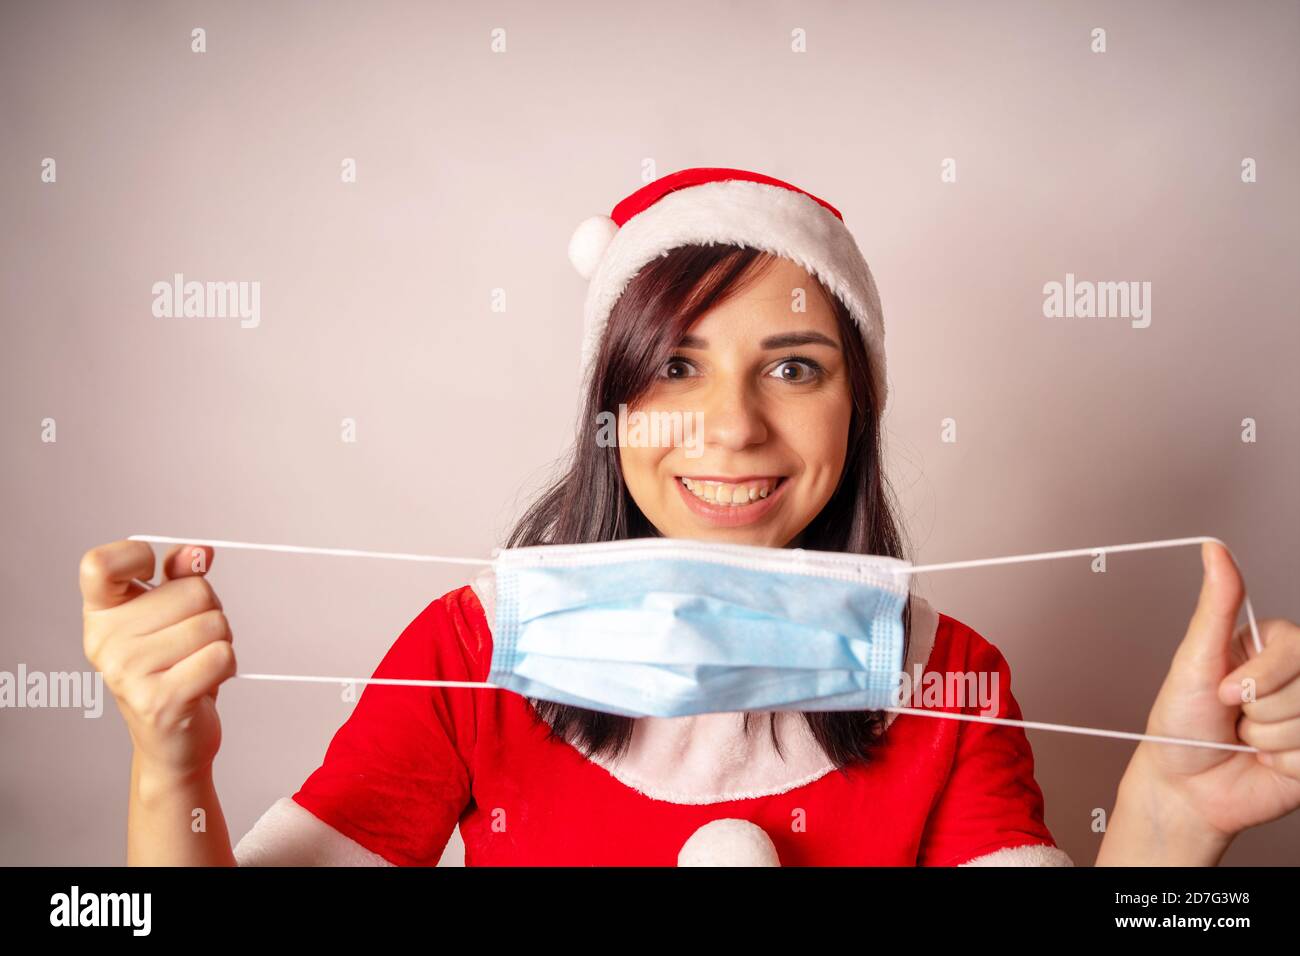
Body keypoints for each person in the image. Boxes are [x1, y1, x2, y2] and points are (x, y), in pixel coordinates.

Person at [80, 167, 1300, 866]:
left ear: (858, 405)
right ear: (610, 396)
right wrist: (167, 766)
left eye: (794, 365)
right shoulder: (473, 651)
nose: (729, 428)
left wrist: (1164, 817)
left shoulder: (950, 680)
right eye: (673, 367)